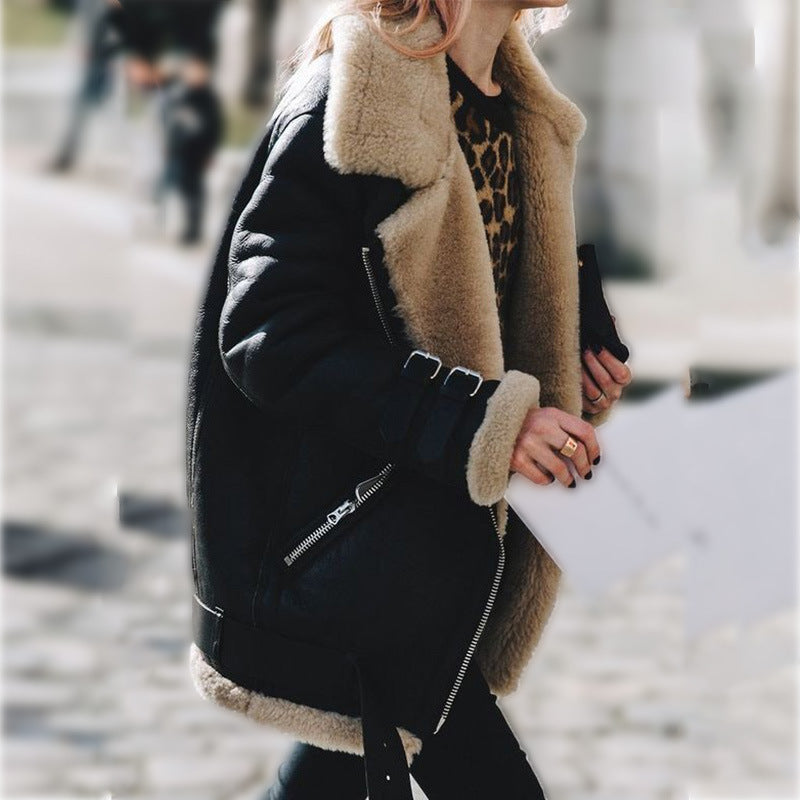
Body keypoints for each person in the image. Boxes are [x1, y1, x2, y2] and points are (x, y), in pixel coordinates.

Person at [185, 2, 633, 799]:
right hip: (350, 540)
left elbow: (468, 315)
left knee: (341, 758)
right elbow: (268, 334)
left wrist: (567, 343)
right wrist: (481, 424)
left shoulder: (520, 115)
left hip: (422, 556)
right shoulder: (353, 104)